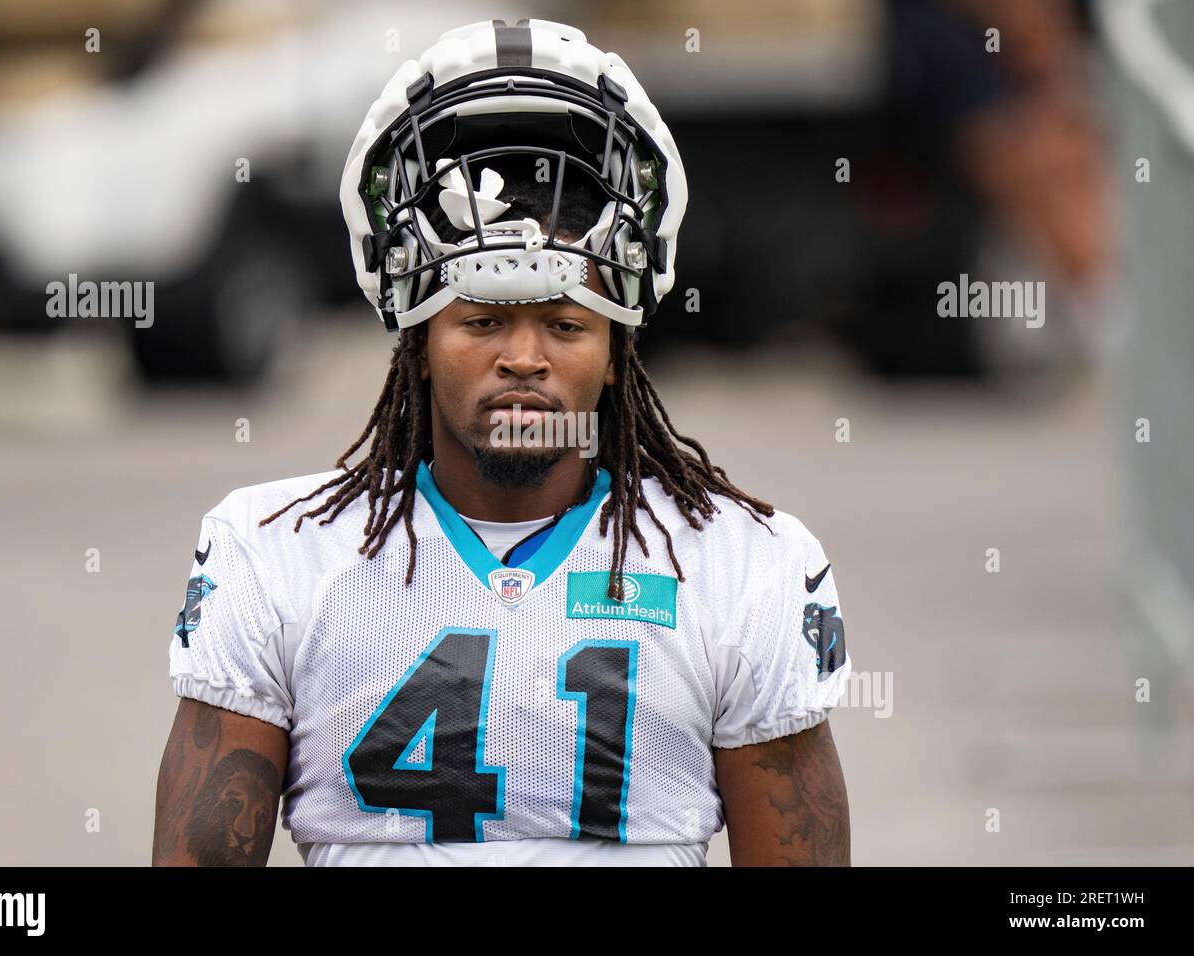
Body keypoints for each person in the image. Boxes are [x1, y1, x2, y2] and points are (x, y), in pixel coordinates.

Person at [152, 18, 851, 867]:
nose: (523, 359)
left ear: (616, 349)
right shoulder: (275, 555)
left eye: (564, 322)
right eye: (481, 320)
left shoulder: (742, 564)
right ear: (414, 342)